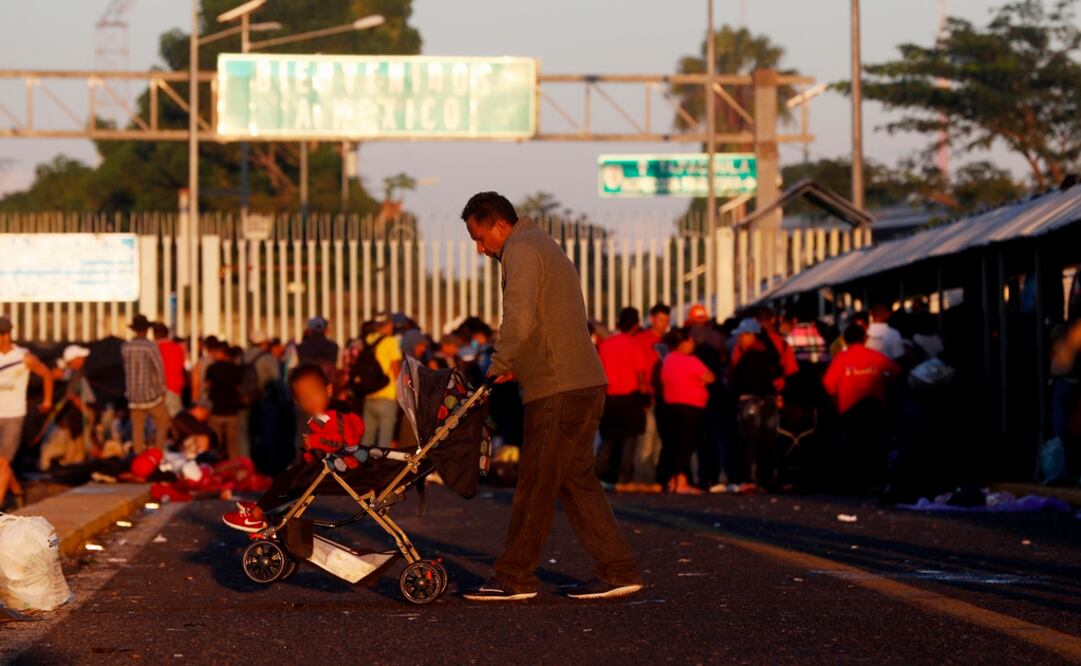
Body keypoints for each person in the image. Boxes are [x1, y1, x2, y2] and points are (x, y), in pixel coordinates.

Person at [459, 191, 642, 601]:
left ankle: (514, 577)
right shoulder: (540, 242)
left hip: (557, 387)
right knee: (577, 481)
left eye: (480, 238)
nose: (480, 248)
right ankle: (618, 570)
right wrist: (517, 364)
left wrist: (499, 363)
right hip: (583, 382)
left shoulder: (521, 250)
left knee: (536, 483)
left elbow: (519, 317)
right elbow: (545, 320)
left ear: (500, 225)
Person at [222, 363, 364, 532]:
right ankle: (264, 508)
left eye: (314, 394)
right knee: (289, 478)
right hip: (327, 467)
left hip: (337, 470)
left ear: (328, 390)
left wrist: (315, 441)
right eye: (304, 398)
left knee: (286, 481)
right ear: (297, 401)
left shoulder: (337, 416)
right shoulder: (329, 415)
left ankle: (256, 515)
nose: (310, 401)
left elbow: (344, 443)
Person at [822, 324, 903, 491]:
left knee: (852, 449)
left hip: (849, 413)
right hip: (875, 411)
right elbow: (897, 371)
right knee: (876, 448)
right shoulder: (875, 356)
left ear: (844, 340)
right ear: (865, 339)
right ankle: (875, 481)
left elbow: (828, 386)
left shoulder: (841, 358)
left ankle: (854, 483)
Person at [0, 315, 54, 509]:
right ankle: (17, 491)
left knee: (3, 462)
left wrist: (48, 400)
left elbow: (46, 374)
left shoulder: (24, 357)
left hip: (14, 414)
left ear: (6, 336)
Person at [595, 307, 650, 490]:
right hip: (630, 398)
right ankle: (623, 479)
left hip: (610, 398)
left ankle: (597, 474)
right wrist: (645, 399)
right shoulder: (635, 345)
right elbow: (641, 376)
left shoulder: (606, 345)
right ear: (635, 325)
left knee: (608, 440)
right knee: (629, 441)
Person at [657, 327, 715, 494]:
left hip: (671, 406)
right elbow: (710, 377)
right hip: (691, 407)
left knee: (674, 444)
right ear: (683, 343)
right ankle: (681, 481)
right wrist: (700, 382)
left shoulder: (668, 360)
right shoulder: (690, 361)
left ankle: (673, 480)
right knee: (686, 445)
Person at [728, 318, 783, 491]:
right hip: (769, 401)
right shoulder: (769, 353)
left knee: (750, 441)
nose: (739, 339)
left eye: (742, 335)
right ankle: (768, 479)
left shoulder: (751, 356)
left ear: (752, 335)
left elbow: (739, 380)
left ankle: (750, 479)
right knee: (768, 440)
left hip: (751, 401)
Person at [121, 314, 170, 454]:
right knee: (163, 422)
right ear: (147, 329)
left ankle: (138, 456)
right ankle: (157, 453)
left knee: (137, 429)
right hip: (150, 396)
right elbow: (159, 369)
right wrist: (161, 390)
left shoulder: (125, 347)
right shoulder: (150, 346)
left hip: (133, 397)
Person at [634, 303, 670, 490]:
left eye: (667, 320)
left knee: (659, 440)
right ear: (652, 319)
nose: (665, 324)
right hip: (648, 395)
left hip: (664, 396)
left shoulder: (668, 341)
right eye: (661, 320)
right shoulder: (642, 340)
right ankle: (642, 479)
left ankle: (654, 479)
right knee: (646, 439)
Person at [361, 313, 403, 447]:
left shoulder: (368, 340)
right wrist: (401, 391)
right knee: (384, 440)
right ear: (389, 325)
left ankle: (364, 460)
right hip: (387, 395)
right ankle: (382, 461)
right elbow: (395, 368)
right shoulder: (391, 342)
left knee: (367, 439)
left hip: (370, 394)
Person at [206, 344, 246, 459]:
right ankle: (234, 465)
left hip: (216, 410)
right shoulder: (235, 368)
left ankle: (216, 465)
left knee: (216, 444)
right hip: (232, 411)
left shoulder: (212, 368)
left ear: (221, 353)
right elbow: (239, 387)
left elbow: (208, 386)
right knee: (233, 444)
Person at [153, 323, 186, 417]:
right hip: (175, 387)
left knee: (158, 419)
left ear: (155, 334)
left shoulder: (153, 348)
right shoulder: (178, 348)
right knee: (174, 418)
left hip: (157, 389)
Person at [297, 316, 340, 387]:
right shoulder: (334, 347)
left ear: (309, 331)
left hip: (307, 387)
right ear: (325, 331)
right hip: (328, 388)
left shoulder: (300, 348)